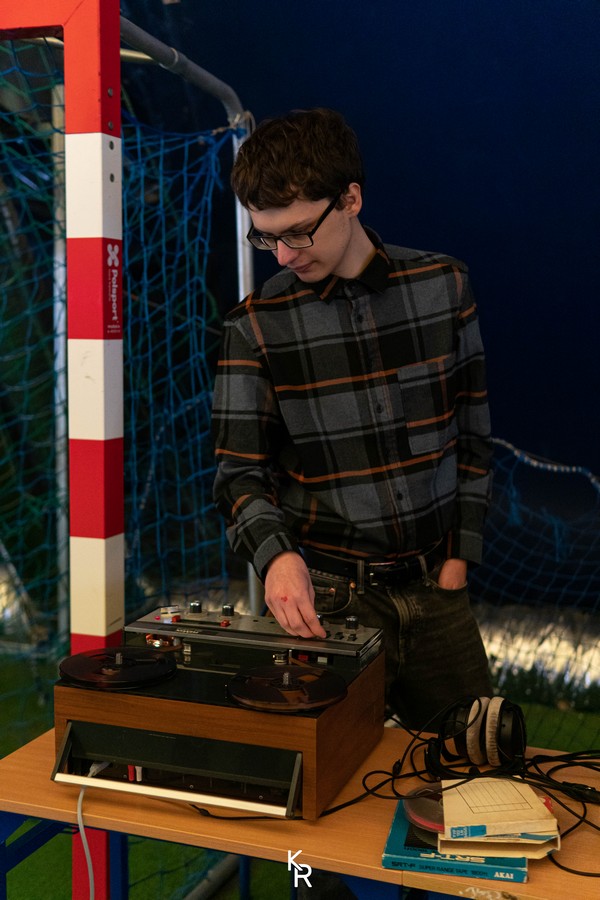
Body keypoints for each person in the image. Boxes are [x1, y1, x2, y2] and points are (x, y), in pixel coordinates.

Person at [212, 107, 493, 729]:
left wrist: (458, 561)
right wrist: (276, 559)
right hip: (327, 601)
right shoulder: (253, 327)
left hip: (438, 591)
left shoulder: (445, 287)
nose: (283, 255)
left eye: (298, 233)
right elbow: (239, 476)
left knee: (478, 764)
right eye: (266, 237)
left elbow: (474, 436)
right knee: (324, 778)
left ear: (350, 199)